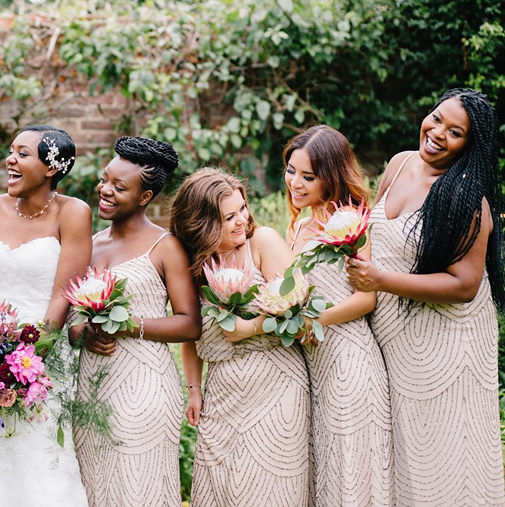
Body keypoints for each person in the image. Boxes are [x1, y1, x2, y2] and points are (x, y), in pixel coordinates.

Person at [345, 88, 505, 505]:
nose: (437, 133)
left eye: (455, 132)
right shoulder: (399, 164)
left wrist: (379, 280)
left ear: (469, 145)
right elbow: (368, 233)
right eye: (436, 118)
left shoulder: (464, 197)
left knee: (447, 457)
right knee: (404, 456)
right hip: (394, 337)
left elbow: (465, 285)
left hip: (447, 347)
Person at [0, 125, 92, 506]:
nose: (10, 160)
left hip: (41, 358)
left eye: (23, 154)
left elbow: (65, 294)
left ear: (50, 168)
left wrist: (23, 362)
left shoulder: (74, 213)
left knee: (40, 459)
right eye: (12, 151)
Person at [73, 136, 201, 507]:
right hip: (91, 389)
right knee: (94, 487)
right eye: (104, 179)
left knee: (138, 489)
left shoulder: (165, 247)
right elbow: (71, 318)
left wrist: (132, 326)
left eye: (119, 186)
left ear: (145, 197)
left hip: (145, 387)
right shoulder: (89, 244)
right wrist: (81, 333)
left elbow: (190, 323)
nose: (105, 191)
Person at [171, 168, 309, 507]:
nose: (241, 221)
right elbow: (191, 334)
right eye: (228, 216)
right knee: (221, 488)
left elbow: (301, 310)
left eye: (242, 209)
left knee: (272, 491)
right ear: (201, 224)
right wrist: (194, 390)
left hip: (276, 387)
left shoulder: (262, 242)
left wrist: (252, 326)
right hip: (221, 393)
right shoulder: (193, 264)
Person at [282, 125, 393, 507]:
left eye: (308, 176)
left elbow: (368, 299)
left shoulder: (347, 222)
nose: (295, 182)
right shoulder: (298, 221)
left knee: (352, 471)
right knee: (329, 469)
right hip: (316, 362)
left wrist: (315, 321)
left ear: (331, 175)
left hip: (349, 361)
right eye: (291, 170)